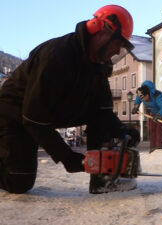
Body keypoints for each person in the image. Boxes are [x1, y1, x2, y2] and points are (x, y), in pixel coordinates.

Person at [0, 5, 140, 194]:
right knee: (18, 182)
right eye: (118, 43)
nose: (117, 51)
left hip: (50, 111)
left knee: (99, 116)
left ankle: (102, 180)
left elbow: (103, 111)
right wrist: (67, 157)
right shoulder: (57, 56)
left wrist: (123, 130)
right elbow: (33, 117)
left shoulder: (98, 66)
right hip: (14, 113)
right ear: (102, 30)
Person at [132, 81, 162, 152]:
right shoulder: (141, 94)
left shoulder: (158, 96)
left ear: (148, 94)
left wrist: (159, 115)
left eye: (145, 97)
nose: (144, 100)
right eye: (142, 99)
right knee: (152, 128)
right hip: (154, 111)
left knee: (159, 127)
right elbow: (138, 100)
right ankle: (152, 147)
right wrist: (136, 107)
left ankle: (159, 147)